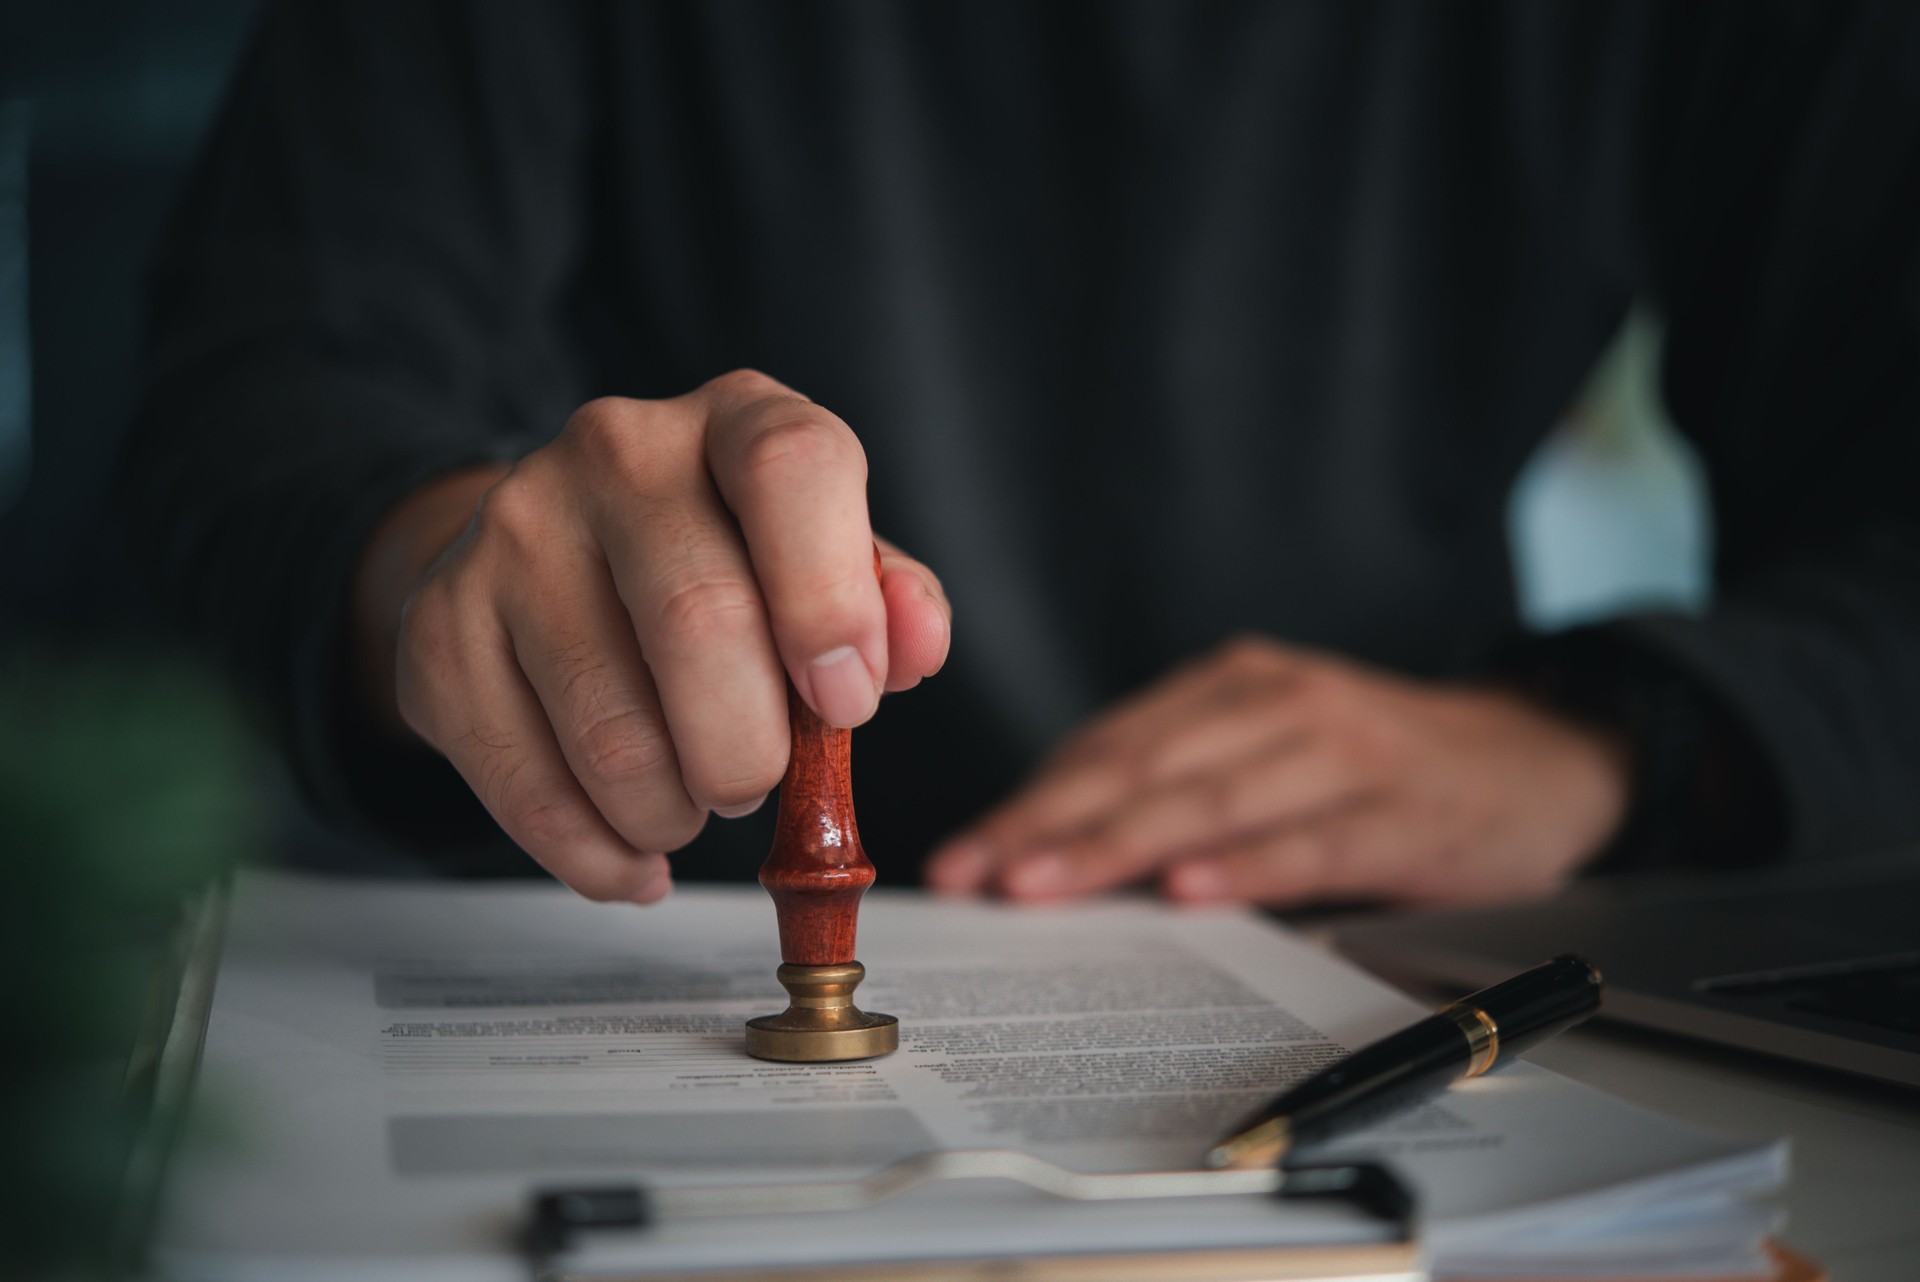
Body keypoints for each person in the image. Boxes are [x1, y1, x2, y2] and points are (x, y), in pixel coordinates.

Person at [124, 1, 1920, 910]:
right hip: (602, 935)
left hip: (1394, 942)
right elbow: (265, 387)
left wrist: (1622, 743)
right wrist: (442, 568)